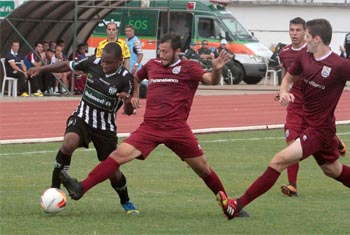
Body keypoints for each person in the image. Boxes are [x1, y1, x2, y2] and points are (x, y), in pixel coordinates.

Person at [58, 33, 235, 218]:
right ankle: (81, 188)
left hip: (177, 129)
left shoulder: (189, 67)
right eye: (160, 50)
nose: (161, 54)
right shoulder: (152, 65)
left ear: (177, 51)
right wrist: (134, 95)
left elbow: (211, 80)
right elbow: (135, 78)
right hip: (150, 127)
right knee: (117, 156)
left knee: (203, 168)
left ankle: (228, 205)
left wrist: (217, 70)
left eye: (165, 51)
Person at [217, 18, 350, 220]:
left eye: (306, 35)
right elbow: (289, 77)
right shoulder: (305, 56)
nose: (303, 39)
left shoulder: (340, 65)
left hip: (319, 130)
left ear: (317, 39)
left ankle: (236, 205)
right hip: (309, 123)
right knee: (332, 170)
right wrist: (283, 91)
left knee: (278, 161)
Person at [27, 42, 139, 215]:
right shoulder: (93, 62)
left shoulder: (126, 79)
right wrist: (42, 69)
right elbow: (66, 65)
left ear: (118, 61)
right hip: (83, 117)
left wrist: (126, 101)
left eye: (109, 63)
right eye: (103, 61)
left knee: (113, 171)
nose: (104, 65)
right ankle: (55, 190)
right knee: (68, 143)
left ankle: (126, 200)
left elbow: (129, 111)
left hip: (105, 127)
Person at [278, 17, 347, 197]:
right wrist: (283, 91)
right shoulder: (285, 52)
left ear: (308, 35)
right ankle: (292, 184)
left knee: (331, 169)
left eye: (299, 31)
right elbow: (287, 76)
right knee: (291, 140)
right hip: (296, 103)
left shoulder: (323, 57)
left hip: (315, 112)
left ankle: (332, 139)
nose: (294, 33)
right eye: (291, 30)